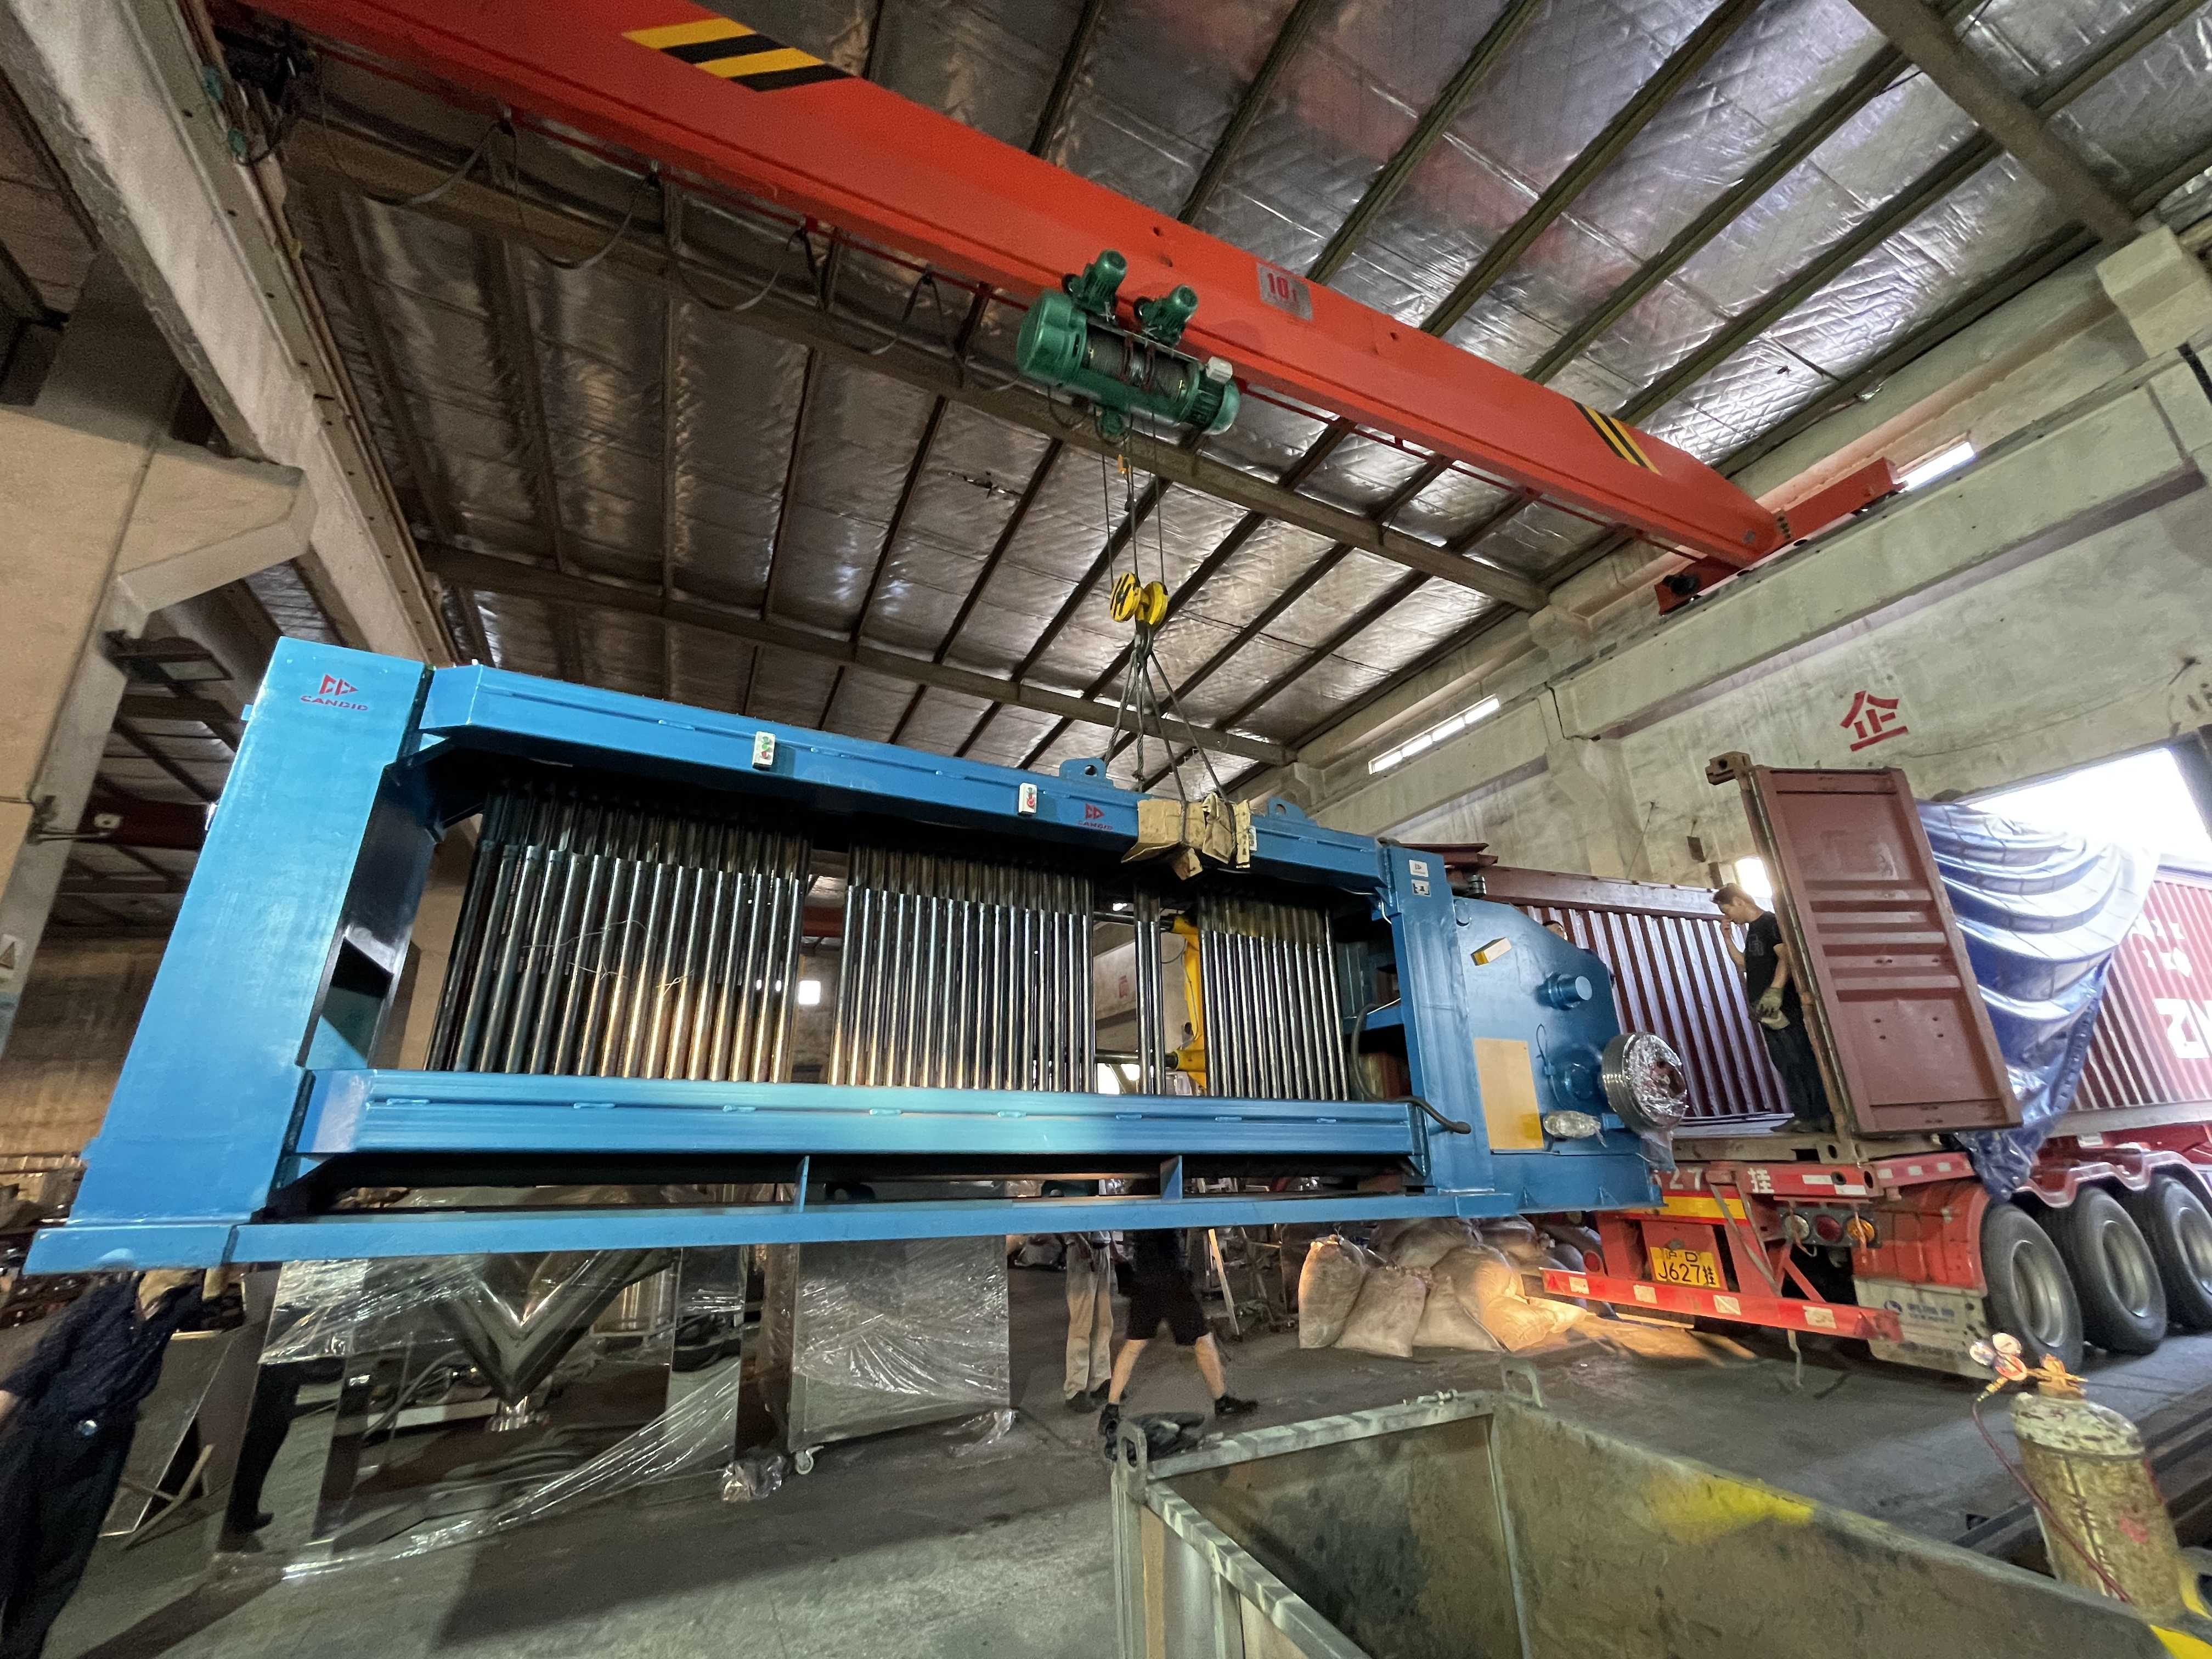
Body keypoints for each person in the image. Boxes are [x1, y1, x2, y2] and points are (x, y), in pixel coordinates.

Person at [0, 1269, 208, 1658]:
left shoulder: (180, 1307)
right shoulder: (103, 1303)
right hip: (44, 1435)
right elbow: (33, 1370)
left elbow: (222, 1280)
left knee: (59, 1564)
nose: (196, 1266)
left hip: (103, 1447)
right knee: (6, 1542)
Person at [1098, 1229, 1255, 1446]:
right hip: (1170, 1279)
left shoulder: (1140, 1200)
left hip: (1144, 1278)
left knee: (1134, 1344)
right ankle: (1222, 1401)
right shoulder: (1163, 1197)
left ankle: (1111, 1409)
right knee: (1202, 1340)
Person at [1714, 883, 1831, 1131]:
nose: (1728, 916)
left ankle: (1818, 1115)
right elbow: (1745, 964)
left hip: (1783, 1008)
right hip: (1766, 1012)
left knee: (1799, 1059)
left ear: (1738, 901)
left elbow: (1786, 955)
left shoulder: (1769, 923)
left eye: (1727, 909)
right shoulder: (1753, 930)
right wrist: (1727, 939)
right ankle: (1804, 1115)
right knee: (1785, 1062)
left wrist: (1776, 990)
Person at [1060, 1232, 1115, 1411]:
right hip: (1081, 1251)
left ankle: (1100, 1379)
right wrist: (1078, 1239)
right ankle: (1075, 1389)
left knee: (1104, 1322)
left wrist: (1113, 1248)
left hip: (1102, 1248)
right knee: (1081, 1324)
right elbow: (1064, 1213)